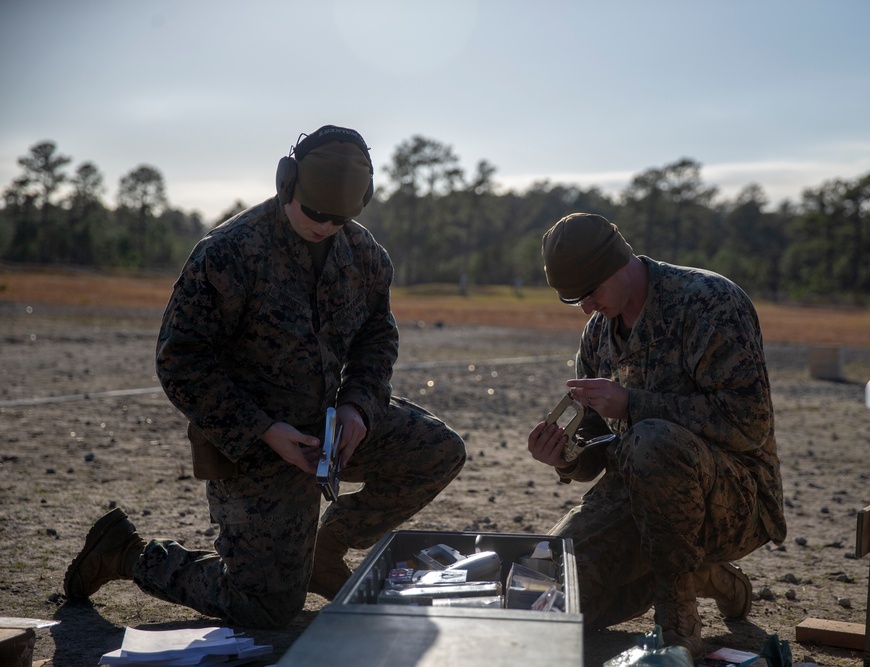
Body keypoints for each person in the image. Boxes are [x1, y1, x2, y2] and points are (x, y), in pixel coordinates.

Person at [63, 124, 466, 628]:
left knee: (439, 450)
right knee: (266, 608)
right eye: (314, 212)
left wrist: (358, 406)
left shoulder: (365, 257)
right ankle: (126, 554)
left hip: (330, 429)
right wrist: (263, 431)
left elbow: (376, 340)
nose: (323, 225)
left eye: (338, 218)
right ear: (287, 182)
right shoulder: (230, 252)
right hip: (254, 446)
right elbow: (180, 360)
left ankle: (323, 548)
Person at [527, 213, 786, 657]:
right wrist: (565, 456)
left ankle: (678, 618)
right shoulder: (598, 336)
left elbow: (749, 424)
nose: (586, 307)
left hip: (734, 500)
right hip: (640, 498)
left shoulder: (709, 302)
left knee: (652, 441)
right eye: (575, 300)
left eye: (590, 292)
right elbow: (598, 444)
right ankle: (706, 575)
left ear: (618, 262)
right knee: (548, 588)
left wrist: (632, 404)